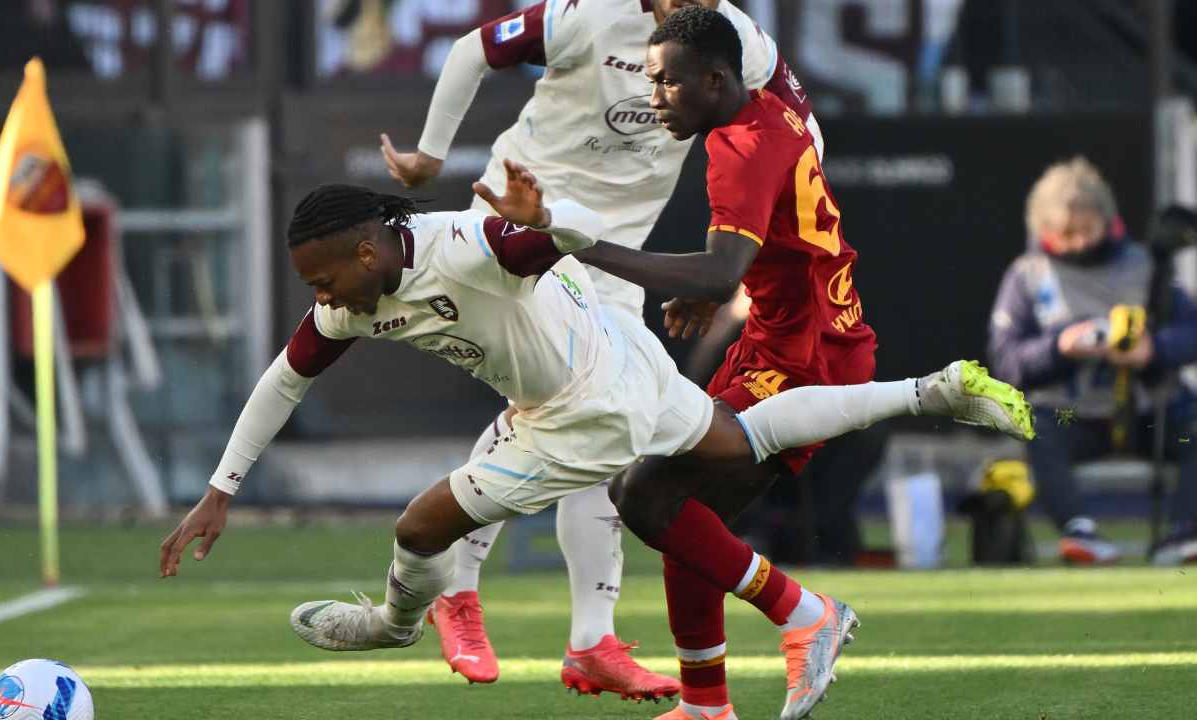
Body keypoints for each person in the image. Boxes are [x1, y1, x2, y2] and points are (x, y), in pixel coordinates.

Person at [158, 163, 1033, 720]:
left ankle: (393, 625)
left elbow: (553, 237)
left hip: (580, 407)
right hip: (624, 361)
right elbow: (286, 377)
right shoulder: (354, 294)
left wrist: (550, 218)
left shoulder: (465, 245)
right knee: (739, 443)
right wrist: (222, 488)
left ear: (364, 246)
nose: (325, 298)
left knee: (421, 528)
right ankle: (932, 390)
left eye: (325, 277)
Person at [378, 0, 821, 695]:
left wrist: (753, 247)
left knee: (616, 421)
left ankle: (592, 640)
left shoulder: (736, 40)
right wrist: (429, 156)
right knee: (564, 405)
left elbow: (797, 129)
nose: (676, 8)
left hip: (612, 250)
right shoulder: (583, 16)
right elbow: (472, 50)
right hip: (519, 224)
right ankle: (456, 591)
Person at [540, 7, 877, 718]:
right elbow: (749, 253)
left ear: (716, 80)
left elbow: (721, 272)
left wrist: (580, 245)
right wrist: (719, 282)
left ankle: (804, 613)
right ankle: (705, 707)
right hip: (797, 342)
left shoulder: (737, 143)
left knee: (642, 495)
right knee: (682, 517)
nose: (652, 96)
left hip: (803, 358)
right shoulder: (770, 115)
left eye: (666, 83)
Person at [988, 157, 1197, 566]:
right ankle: (1079, 530)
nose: (1080, 243)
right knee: (1036, 429)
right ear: (1044, 229)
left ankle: (1182, 532)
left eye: (1088, 230)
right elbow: (1005, 359)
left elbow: (1192, 330)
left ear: (1107, 221)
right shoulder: (1027, 275)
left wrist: (1155, 349)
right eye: (1067, 234)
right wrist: (1059, 348)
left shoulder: (1146, 265)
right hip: (1071, 415)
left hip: (1147, 413)